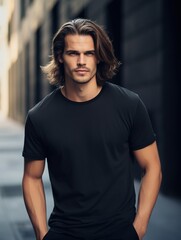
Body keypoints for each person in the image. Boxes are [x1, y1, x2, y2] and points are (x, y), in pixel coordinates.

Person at [22, 18, 162, 240]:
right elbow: (31, 177)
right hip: (65, 232)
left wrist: (139, 228)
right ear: (60, 56)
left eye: (89, 53)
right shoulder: (40, 117)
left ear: (98, 57)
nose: (81, 61)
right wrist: (42, 234)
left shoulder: (129, 105)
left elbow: (152, 167)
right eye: (72, 53)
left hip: (120, 232)